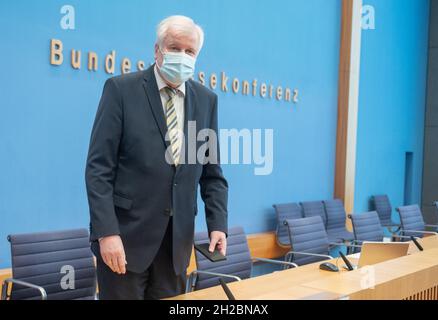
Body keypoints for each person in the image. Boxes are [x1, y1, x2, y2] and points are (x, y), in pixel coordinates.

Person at [85, 15, 228, 300]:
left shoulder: (206, 100)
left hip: (176, 247)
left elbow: (212, 174)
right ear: (157, 50)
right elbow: (98, 170)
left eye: (190, 52)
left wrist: (218, 225)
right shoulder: (121, 89)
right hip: (124, 242)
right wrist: (106, 233)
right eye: (175, 48)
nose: (182, 56)